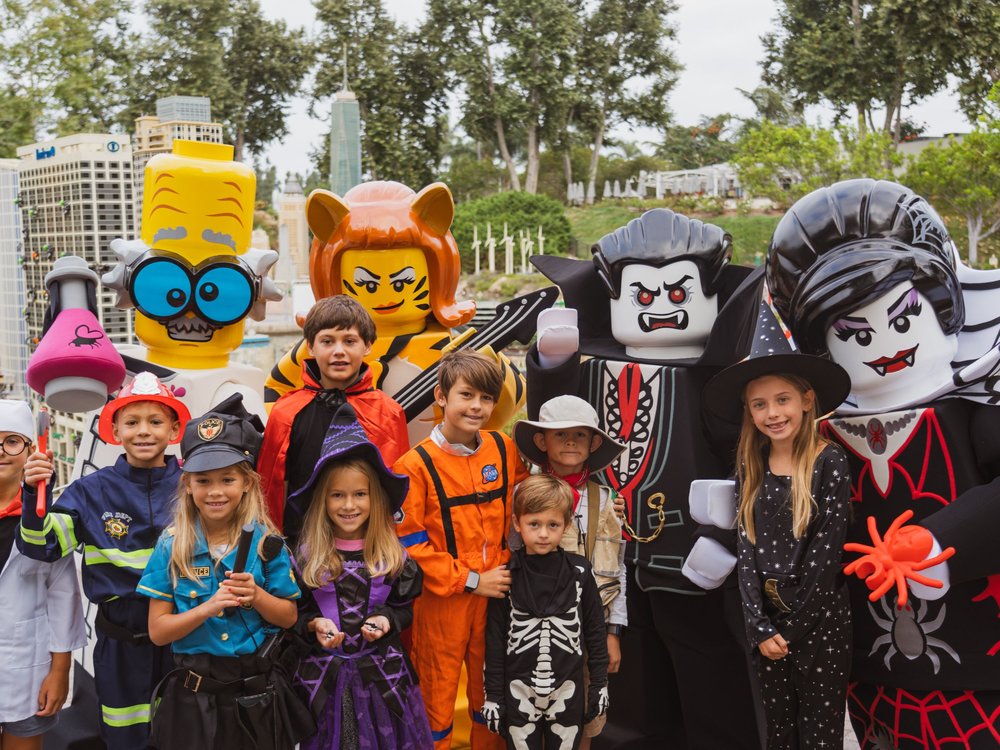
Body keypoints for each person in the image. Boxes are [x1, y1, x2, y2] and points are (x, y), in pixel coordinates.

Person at [766, 179, 1000, 749]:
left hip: (979, 656)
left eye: (901, 318)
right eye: (856, 332)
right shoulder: (816, 429)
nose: (885, 345)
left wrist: (939, 542)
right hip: (864, 656)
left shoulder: (976, 405)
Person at [525, 208, 765, 747]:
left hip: (689, 553)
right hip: (602, 553)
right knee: (621, 677)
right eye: (643, 295)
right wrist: (550, 364)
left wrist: (726, 534)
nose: (659, 307)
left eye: (678, 294)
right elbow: (550, 430)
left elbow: (747, 459)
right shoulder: (590, 369)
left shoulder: (718, 377)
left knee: (709, 672)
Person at [703, 301, 853, 749]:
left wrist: (790, 631)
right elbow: (745, 553)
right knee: (779, 733)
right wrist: (761, 627)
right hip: (767, 623)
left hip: (820, 623)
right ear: (749, 412)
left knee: (820, 734)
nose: (773, 413)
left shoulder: (830, 462)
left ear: (807, 401)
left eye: (782, 399)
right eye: (760, 404)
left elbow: (825, 559)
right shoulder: (751, 464)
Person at [18, 372, 190, 749]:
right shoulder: (90, 490)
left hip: (185, 638)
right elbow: (42, 545)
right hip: (120, 645)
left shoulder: (193, 486)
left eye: (155, 421)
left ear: (175, 428)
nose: (143, 431)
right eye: (132, 422)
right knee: (124, 735)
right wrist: (33, 494)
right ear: (114, 429)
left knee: (185, 732)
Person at [136, 394, 312, 750]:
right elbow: (158, 632)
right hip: (194, 703)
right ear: (188, 485)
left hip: (256, 699)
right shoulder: (171, 547)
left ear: (247, 482)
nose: (215, 491)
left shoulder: (267, 544)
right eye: (203, 481)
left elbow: (288, 616)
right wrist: (208, 607)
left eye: (227, 479)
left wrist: (257, 597)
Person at [393, 349, 530, 750]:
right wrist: (472, 580)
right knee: (435, 695)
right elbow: (409, 545)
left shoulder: (503, 449)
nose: (477, 406)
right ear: (441, 396)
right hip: (444, 599)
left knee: (493, 691)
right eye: (467, 395)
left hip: (500, 592)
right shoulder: (413, 466)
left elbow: (529, 504)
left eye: (486, 398)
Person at [285, 402, 432, 749]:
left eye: (359, 494)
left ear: (375, 498)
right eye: (337, 495)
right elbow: (297, 613)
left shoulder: (394, 557)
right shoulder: (304, 558)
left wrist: (386, 619)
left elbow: (403, 608)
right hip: (322, 681)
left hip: (382, 680)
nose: (348, 505)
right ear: (323, 500)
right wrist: (313, 626)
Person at [511, 395, 626, 749]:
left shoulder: (606, 500)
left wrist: (613, 631)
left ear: (594, 443)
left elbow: (617, 567)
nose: (571, 442)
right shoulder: (522, 494)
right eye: (560, 435)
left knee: (583, 719)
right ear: (542, 442)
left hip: (587, 630)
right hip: (529, 627)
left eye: (580, 435)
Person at [259, 295, 409, 543]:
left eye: (350, 341)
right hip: (301, 545)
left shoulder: (388, 412)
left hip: (369, 550)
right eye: (327, 341)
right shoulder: (286, 411)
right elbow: (271, 489)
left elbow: (397, 493)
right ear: (310, 346)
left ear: (368, 346)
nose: (339, 351)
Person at [483, 474, 609, 750]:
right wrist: (493, 695)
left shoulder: (580, 572)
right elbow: (494, 640)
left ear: (565, 525)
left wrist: (599, 684)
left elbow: (595, 631)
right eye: (534, 524)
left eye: (553, 525)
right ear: (517, 523)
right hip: (518, 690)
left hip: (568, 689)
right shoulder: (506, 576)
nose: (543, 534)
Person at [0, 400, 86, 750]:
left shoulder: (46, 521)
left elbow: (63, 597)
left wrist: (60, 671)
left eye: (12, 442)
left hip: (27, 666)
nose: (2, 452)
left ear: (30, 451)